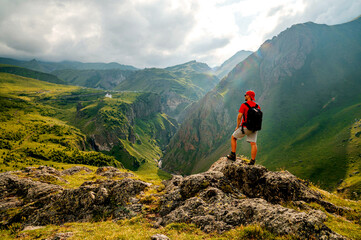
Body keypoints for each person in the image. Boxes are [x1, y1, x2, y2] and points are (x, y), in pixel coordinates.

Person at [227, 90, 260, 165]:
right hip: (254, 128)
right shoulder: (257, 106)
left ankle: (233, 155)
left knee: (233, 137)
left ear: (249, 96)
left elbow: (239, 116)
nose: (244, 96)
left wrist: (237, 126)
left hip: (245, 127)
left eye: (245, 95)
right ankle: (252, 161)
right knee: (253, 143)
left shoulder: (244, 105)